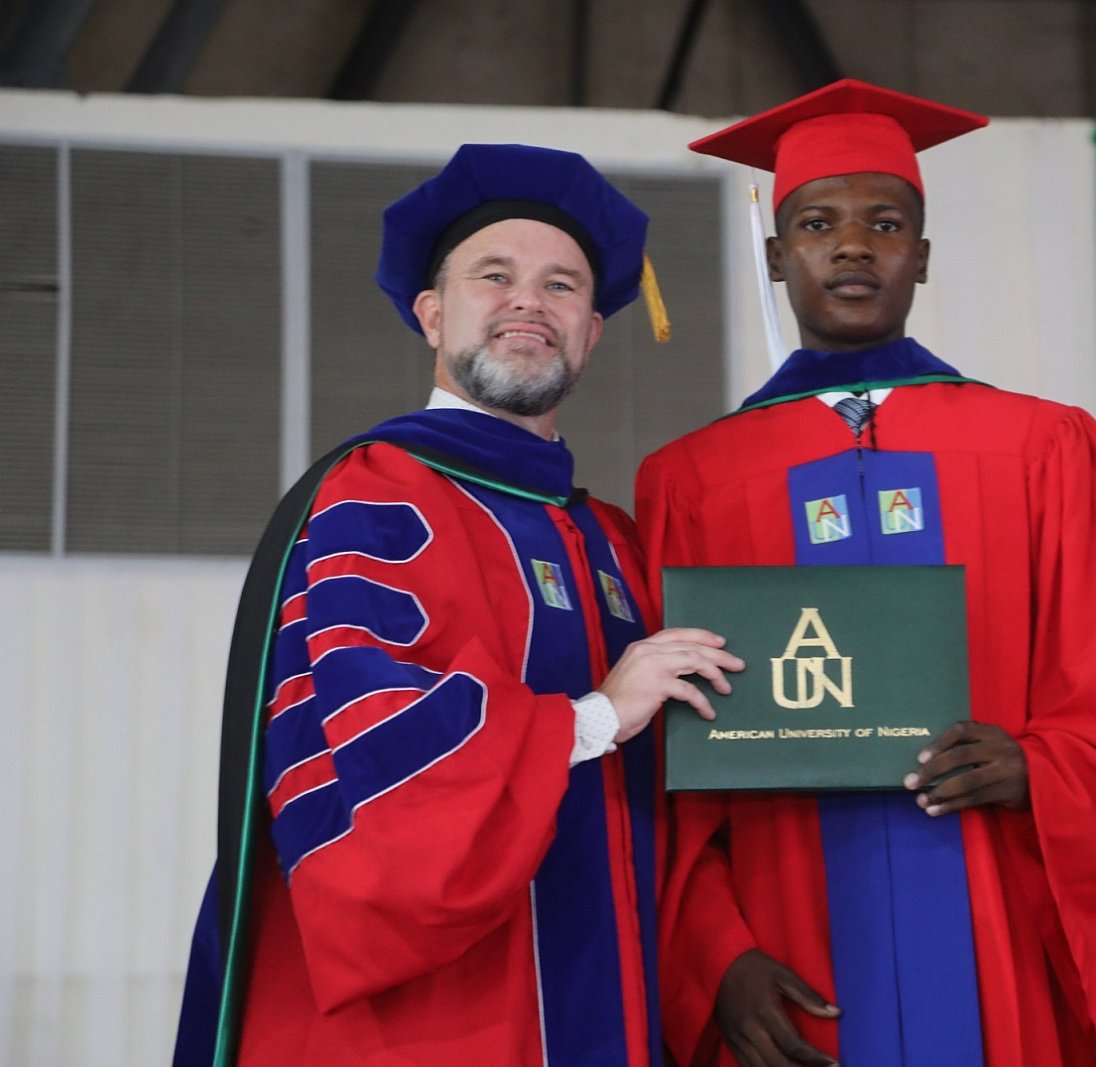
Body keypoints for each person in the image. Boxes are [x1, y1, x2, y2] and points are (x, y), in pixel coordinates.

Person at [634, 80, 1096, 1067]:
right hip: (786, 913)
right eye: (818, 224)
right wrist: (714, 952)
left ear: (925, 256)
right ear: (776, 256)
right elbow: (662, 757)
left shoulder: (1044, 446)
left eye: (886, 224)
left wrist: (1042, 768)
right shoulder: (693, 480)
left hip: (994, 901)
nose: (853, 247)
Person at [172, 143, 743, 1065]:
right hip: (439, 1019)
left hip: (605, 995)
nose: (529, 301)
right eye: (495, 275)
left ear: (592, 330)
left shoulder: (610, 538)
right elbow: (375, 731)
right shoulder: (378, 493)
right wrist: (594, 717)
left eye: (561, 285)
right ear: (432, 313)